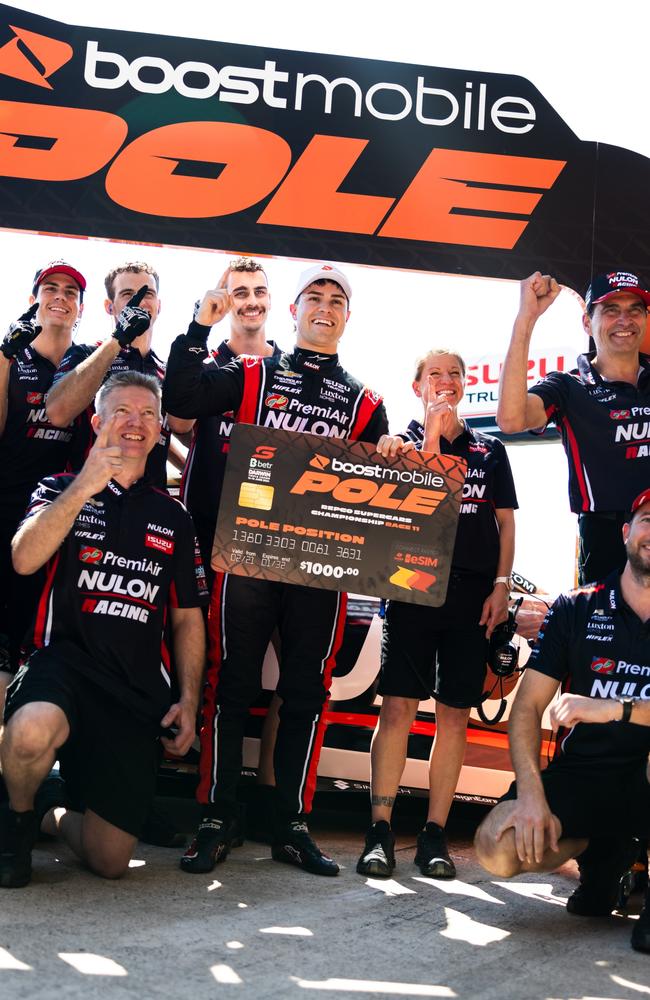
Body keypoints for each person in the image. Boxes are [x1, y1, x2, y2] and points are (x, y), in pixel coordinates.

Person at [163, 263, 390, 877]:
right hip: (249, 554)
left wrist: (392, 456)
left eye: (336, 299)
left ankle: (291, 822)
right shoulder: (251, 372)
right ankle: (216, 815)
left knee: (306, 692)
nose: (324, 306)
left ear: (348, 317)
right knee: (230, 682)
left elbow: (377, 496)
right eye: (312, 297)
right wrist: (195, 326)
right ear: (292, 312)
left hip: (321, 565)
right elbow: (180, 399)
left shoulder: (367, 403)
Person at [0, 372, 207, 888]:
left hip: (132, 690)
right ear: (96, 422)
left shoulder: (174, 516)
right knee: (27, 731)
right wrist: (85, 486)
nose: (134, 424)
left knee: (110, 861)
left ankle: (48, 807)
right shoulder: (57, 488)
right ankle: (17, 819)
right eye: (121, 412)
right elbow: (24, 559)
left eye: (146, 415)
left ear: (160, 430)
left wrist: (189, 699)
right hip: (62, 668)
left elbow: (186, 618)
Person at [356, 349, 517, 880]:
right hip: (410, 587)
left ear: (467, 384)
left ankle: (434, 833)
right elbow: (425, 505)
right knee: (398, 708)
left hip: (472, 596)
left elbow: (506, 525)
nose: (445, 382)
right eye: (435, 375)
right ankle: (379, 828)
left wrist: (500, 586)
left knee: (453, 715)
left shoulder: (490, 450)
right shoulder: (399, 444)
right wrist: (430, 433)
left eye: (455, 375)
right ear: (417, 384)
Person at [474, 487, 650, 954]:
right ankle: (604, 854)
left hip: (646, 774)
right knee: (497, 846)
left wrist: (615, 709)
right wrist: (532, 797)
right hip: (587, 777)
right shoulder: (578, 607)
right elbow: (528, 707)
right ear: (626, 531)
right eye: (648, 518)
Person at [178, 256, 282, 830]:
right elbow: (176, 413)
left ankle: (270, 807)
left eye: (258, 290)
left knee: (284, 679)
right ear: (225, 299)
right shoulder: (210, 368)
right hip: (205, 539)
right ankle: (209, 804)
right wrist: (200, 324)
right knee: (217, 673)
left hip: (270, 550)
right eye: (238, 291)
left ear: (271, 302)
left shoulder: (288, 370)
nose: (249, 300)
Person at [497, 269, 650, 586]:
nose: (625, 320)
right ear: (587, 323)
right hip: (605, 541)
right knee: (604, 635)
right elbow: (511, 420)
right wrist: (526, 319)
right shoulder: (568, 386)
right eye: (611, 310)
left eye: (635, 310)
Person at [0, 261, 86, 693]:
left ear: (81, 308)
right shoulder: (11, 353)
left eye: (70, 292)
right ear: (33, 299)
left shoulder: (88, 358)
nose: (60, 297)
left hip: (59, 514)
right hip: (7, 502)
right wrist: (3, 357)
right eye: (50, 288)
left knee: (38, 627)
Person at [46, 261, 188, 488]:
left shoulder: (166, 369)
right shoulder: (85, 354)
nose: (139, 302)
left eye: (147, 293)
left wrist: (186, 468)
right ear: (109, 306)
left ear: (158, 306)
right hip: (90, 502)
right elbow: (58, 414)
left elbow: (166, 432)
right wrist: (119, 339)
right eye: (127, 294)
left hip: (150, 505)